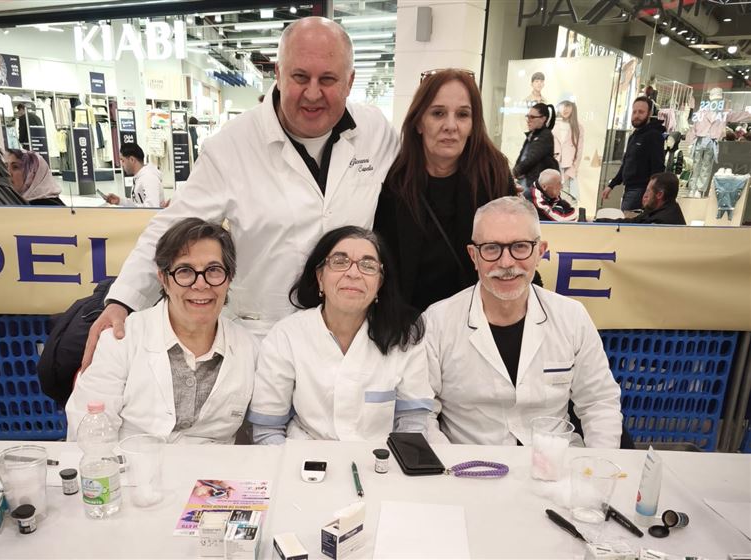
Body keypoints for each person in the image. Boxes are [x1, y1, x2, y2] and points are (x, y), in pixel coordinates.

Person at [81, 17, 399, 369]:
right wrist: (123, 302)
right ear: (278, 73)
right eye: (299, 77)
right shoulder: (232, 145)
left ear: (349, 81)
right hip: (263, 336)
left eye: (327, 79)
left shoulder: (376, 132)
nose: (312, 93)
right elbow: (171, 229)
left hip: (348, 336)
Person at [424, 196, 622, 447]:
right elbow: (420, 412)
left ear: (540, 252)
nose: (506, 263)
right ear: (474, 256)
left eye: (520, 247)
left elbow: (599, 402)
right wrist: (447, 464)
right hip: (470, 463)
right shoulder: (438, 322)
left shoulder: (572, 317)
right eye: (491, 248)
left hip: (554, 458)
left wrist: (595, 464)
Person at [65, 218, 257, 443]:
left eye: (214, 270)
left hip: (214, 466)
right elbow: (91, 432)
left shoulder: (249, 348)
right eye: (185, 271)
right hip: (129, 462)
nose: (201, 284)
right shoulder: (123, 339)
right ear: (164, 279)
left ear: (229, 277)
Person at [248, 226, 433, 443]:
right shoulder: (286, 336)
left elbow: (412, 425)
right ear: (320, 277)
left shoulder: (404, 337)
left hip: (379, 459)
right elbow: (267, 431)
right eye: (339, 262)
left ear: (379, 283)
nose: (353, 273)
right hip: (303, 457)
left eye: (368, 266)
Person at [374, 68, 515, 311]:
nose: (451, 126)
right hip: (410, 320)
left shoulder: (493, 176)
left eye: (462, 115)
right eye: (438, 113)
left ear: (473, 124)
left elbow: (513, 249)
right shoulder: (395, 182)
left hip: (478, 317)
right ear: (419, 122)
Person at [602, 96, 665, 211]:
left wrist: (650, 192)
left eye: (641, 112)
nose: (636, 115)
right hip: (629, 189)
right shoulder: (634, 136)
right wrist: (611, 185)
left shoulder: (653, 136)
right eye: (634, 112)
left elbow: (658, 167)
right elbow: (626, 164)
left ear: (649, 113)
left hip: (641, 191)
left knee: (627, 221)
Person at [597, 172, 685, 225]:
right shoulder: (657, 211)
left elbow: (632, 229)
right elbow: (631, 223)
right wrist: (597, 222)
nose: (644, 196)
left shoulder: (660, 222)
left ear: (659, 195)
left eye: (648, 191)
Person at [513, 102, 559, 195]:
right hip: (525, 182)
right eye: (528, 116)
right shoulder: (532, 135)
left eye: (532, 117)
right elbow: (523, 157)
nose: (528, 120)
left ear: (543, 119)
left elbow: (532, 158)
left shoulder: (545, 135)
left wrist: (515, 172)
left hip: (533, 186)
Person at [104, 142, 164, 207]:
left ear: (132, 160)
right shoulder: (140, 177)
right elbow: (138, 203)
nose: (121, 164)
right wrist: (120, 201)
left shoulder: (149, 177)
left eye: (123, 160)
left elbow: (151, 207)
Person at [553, 100, 584, 202]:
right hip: (552, 167)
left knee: (566, 200)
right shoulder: (552, 125)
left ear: (573, 107)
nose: (565, 109)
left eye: (568, 106)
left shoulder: (578, 128)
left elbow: (579, 153)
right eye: (562, 106)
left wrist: (570, 173)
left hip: (568, 169)